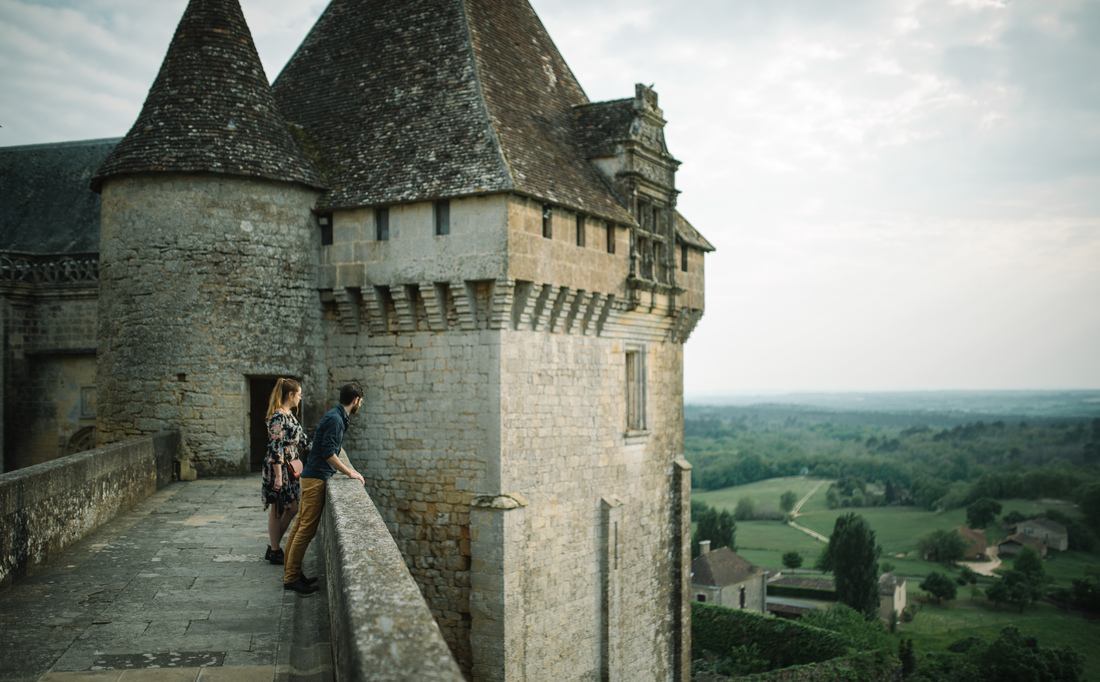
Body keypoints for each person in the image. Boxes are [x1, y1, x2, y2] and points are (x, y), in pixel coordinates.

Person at [283, 382, 365, 594]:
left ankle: (291, 572)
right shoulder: (336, 420)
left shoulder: (335, 416)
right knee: (305, 530)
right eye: (360, 401)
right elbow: (329, 453)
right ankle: (291, 577)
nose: (360, 405)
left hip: (312, 476)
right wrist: (350, 472)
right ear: (355, 400)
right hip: (315, 479)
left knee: (300, 525)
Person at [261, 377, 310, 565]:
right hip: (278, 468)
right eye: (299, 394)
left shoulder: (289, 414)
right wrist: (279, 477)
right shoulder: (278, 416)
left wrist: (324, 449)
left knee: (292, 507)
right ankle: (274, 550)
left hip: (291, 467)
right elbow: (275, 447)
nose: (300, 397)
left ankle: (273, 547)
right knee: (277, 509)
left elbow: (303, 440)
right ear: (290, 394)